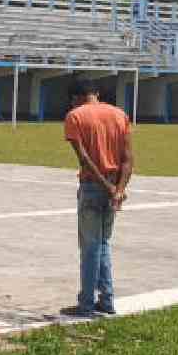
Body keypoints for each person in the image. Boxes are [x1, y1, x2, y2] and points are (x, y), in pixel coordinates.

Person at [64, 79, 134, 317]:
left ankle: (86, 304)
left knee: (90, 247)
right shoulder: (119, 114)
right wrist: (118, 189)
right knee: (103, 244)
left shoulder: (75, 117)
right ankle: (107, 300)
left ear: (78, 97)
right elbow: (128, 159)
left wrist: (106, 186)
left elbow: (84, 158)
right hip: (115, 186)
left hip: (94, 187)